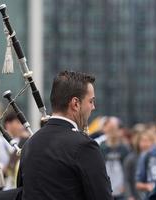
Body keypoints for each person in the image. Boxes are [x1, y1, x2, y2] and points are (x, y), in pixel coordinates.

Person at [16, 71, 112, 200]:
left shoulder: (29, 144)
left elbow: (20, 193)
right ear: (75, 104)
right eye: (91, 101)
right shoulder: (84, 146)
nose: (93, 107)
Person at [100, 116, 130, 200]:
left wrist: (126, 186)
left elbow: (128, 170)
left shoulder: (125, 148)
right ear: (105, 129)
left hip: (121, 190)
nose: (112, 132)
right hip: (106, 189)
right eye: (110, 129)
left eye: (114, 128)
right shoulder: (101, 148)